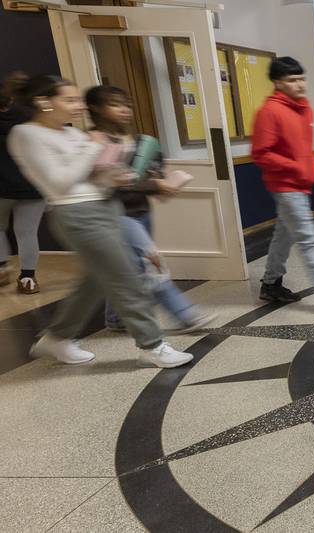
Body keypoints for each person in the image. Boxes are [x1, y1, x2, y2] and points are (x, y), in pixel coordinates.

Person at [7, 75, 193, 367]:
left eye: (77, 99)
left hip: (106, 206)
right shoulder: (25, 134)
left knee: (96, 280)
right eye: (69, 100)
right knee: (125, 276)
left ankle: (57, 337)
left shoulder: (72, 134)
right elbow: (59, 183)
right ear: (44, 102)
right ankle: (152, 345)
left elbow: (97, 176)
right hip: (76, 213)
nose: (79, 106)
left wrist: (116, 174)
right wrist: (93, 150)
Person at [84, 85, 216, 334]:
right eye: (115, 104)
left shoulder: (141, 141)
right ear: (96, 109)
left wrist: (163, 183)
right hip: (115, 213)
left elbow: (150, 175)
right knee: (149, 264)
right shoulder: (93, 142)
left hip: (141, 211)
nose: (124, 110)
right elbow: (108, 185)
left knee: (127, 265)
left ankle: (115, 317)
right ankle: (185, 314)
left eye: (127, 105)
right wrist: (154, 183)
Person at [252, 56, 314, 311]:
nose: (300, 84)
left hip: (301, 183)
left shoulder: (305, 109)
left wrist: (306, 167)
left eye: (302, 78)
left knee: (284, 236)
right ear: (278, 83)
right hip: (285, 185)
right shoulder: (269, 112)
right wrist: (295, 167)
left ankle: (271, 283)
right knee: (307, 236)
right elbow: (261, 153)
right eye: (292, 80)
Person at [0, 72, 46, 294]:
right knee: (27, 233)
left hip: (1, 186)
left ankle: (1, 267)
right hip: (32, 185)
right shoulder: (35, 118)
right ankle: (28, 279)